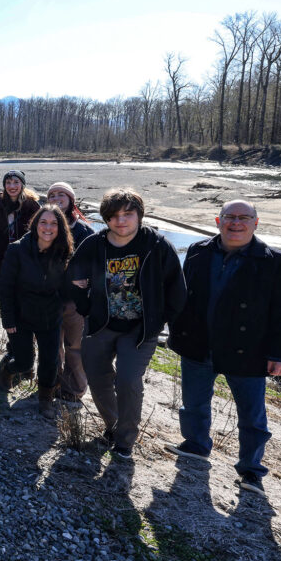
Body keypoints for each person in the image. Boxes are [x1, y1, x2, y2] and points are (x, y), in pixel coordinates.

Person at [166, 200, 281, 496]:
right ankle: (196, 445)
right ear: (218, 221)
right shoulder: (198, 251)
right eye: (229, 217)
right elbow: (184, 298)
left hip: (248, 351)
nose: (235, 223)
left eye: (243, 218)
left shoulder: (279, 262)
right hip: (199, 344)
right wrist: (177, 332)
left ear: (256, 222)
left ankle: (251, 471)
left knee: (252, 417)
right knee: (193, 404)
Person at [69, 188, 186, 462]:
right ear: (106, 219)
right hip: (100, 325)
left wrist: (159, 322)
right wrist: (85, 306)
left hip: (140, 330)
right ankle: (114, 425)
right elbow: (73, 276)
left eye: (128, 214)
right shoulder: (95, 244)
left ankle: (124, 441)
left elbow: (177, 290)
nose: (121, 221)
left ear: (139, 215)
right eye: (114, 216)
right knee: (97, 379)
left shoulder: (157, 245)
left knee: (129, 380)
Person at [0, 205, 74, 418]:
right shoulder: (17, 250)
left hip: (50, 315)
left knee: (50, 361)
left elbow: (66, 288)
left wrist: (79, 286)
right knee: (24, 362)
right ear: (35, 224)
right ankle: (6, 371)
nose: (48, 228)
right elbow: (5, 287)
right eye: (43, 222)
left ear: (60, 228)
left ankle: (45, 400)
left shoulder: (64, 251)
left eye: (53, 223)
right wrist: (8, 319)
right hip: (21, 315)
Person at [46, 182, 95, 405]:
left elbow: (97, 262)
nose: (56, 198)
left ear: (71, 200)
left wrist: (89, 282)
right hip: (47, 297)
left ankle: (73, 390)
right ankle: (50, 384)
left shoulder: (84, 230)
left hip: (75, 301)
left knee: (75, 347)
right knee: (51, 345)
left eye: (61, 195)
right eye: (52, 195)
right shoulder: (44, 225)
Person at [0, 170, 40, 283]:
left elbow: (39, 234)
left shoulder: (32, 206)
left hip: (26, 260)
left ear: (22, 185)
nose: (12, 186)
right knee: (5, 296)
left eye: (16, 182)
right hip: (2, 259)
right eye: (8, 182)